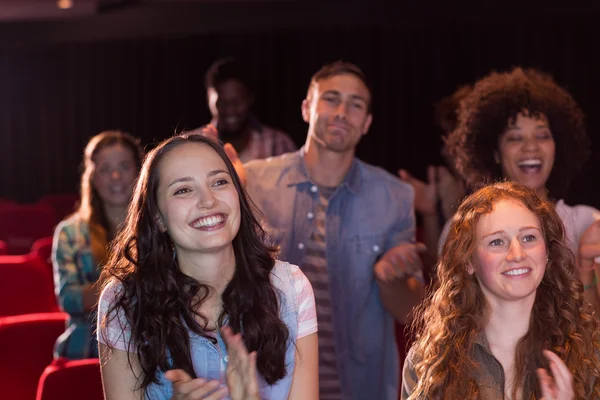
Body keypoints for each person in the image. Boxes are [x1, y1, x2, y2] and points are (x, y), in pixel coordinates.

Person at [223, 61, 425, 399]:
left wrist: (391, 278)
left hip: (361, 387)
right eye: (331, 99)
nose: (343, 111)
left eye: (355, 104)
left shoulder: (394, 196)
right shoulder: (254, 182)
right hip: (274, 384)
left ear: (367, 122)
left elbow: (410, 312)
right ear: (307, 108)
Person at [97, 134, 319, 399]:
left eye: (219, 182)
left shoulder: (291, 288)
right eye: (183, 190)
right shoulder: (124, 301)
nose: (208, 200)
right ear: (158, 217)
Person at [402, 182, 600, 399]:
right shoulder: (429, 360)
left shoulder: (588, 353)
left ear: (547, 252)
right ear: (469, 262)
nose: (517, 254)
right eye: (497, 241)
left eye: (528, 238)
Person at [437, 67, 600, 312]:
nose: (531, 147)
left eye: (542, 135)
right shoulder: (464, 229)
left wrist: (585, 268)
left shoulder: (587, 222)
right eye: (515, 138)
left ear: (559, 146)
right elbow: (455, 321)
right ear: (494, 152)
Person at [52, 130, 142, 359]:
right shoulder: (70, 232)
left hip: (146, 351)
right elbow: (70, 300)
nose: (115, 176)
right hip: (86, 352)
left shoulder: (159, 227)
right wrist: (134, 281)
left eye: (124, 166)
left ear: (140, 171)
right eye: (104, 169)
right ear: (92, 177)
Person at [188, 57, 297, 163]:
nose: (230, 110)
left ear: (250, 98)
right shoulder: (190, 145)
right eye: (222, 103)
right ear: (208, 99)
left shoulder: (278, 143)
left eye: (237, 103)